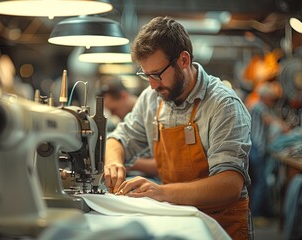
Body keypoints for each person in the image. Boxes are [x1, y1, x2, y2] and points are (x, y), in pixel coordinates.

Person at [103, 16, 252, 240]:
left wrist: (161, 192)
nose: (152, 85)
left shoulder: (223, 105)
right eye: (146, 75)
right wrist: (113, 162)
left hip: (221, 226)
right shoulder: (152, 99)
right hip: (177, 221)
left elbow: (229, 183)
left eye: (157, 74)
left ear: (183, 60)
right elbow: (118, 139)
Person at [98, 76, 158, 178]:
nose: (113, 115)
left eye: (114, 110)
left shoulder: (153, 112)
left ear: (123, 96)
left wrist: (124, 161)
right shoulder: (125, 120)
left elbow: (165, 165)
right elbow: (119, 139)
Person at [248, 80, 290, 225]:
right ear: (265, 97)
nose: (273, 100)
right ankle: (257, 214)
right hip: (256, 149)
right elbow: (270, 120)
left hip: (257, 148)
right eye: (271, 97)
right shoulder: (259, 107)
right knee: (262, 181)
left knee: (262, 181)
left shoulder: (261, 106)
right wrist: (285, 127)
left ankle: (266, 211)